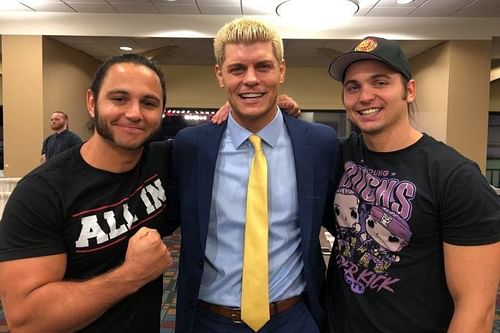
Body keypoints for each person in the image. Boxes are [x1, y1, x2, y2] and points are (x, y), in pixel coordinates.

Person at [172, 18, 340, 333]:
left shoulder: (319, 143)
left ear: (282, 70)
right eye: (237, 69)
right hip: (210, 320)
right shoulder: (190, 147)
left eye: (263, 67)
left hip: (294, 318)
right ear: (220, 74)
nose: (251, 80)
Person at [325, 37, 500, 333]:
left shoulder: (455, 176)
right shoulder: (339, 155)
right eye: (353, 86)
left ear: (409, 90)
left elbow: (476, 308)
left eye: (380, 82)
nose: (365, 96)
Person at [0, 53, 177, 332]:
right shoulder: (41, 192)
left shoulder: (164, 161)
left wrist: (240, 103)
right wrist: (130, 275)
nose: (134, 113)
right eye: (119, 99)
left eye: (149, 102)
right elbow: (26, 320)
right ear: (92, 103)